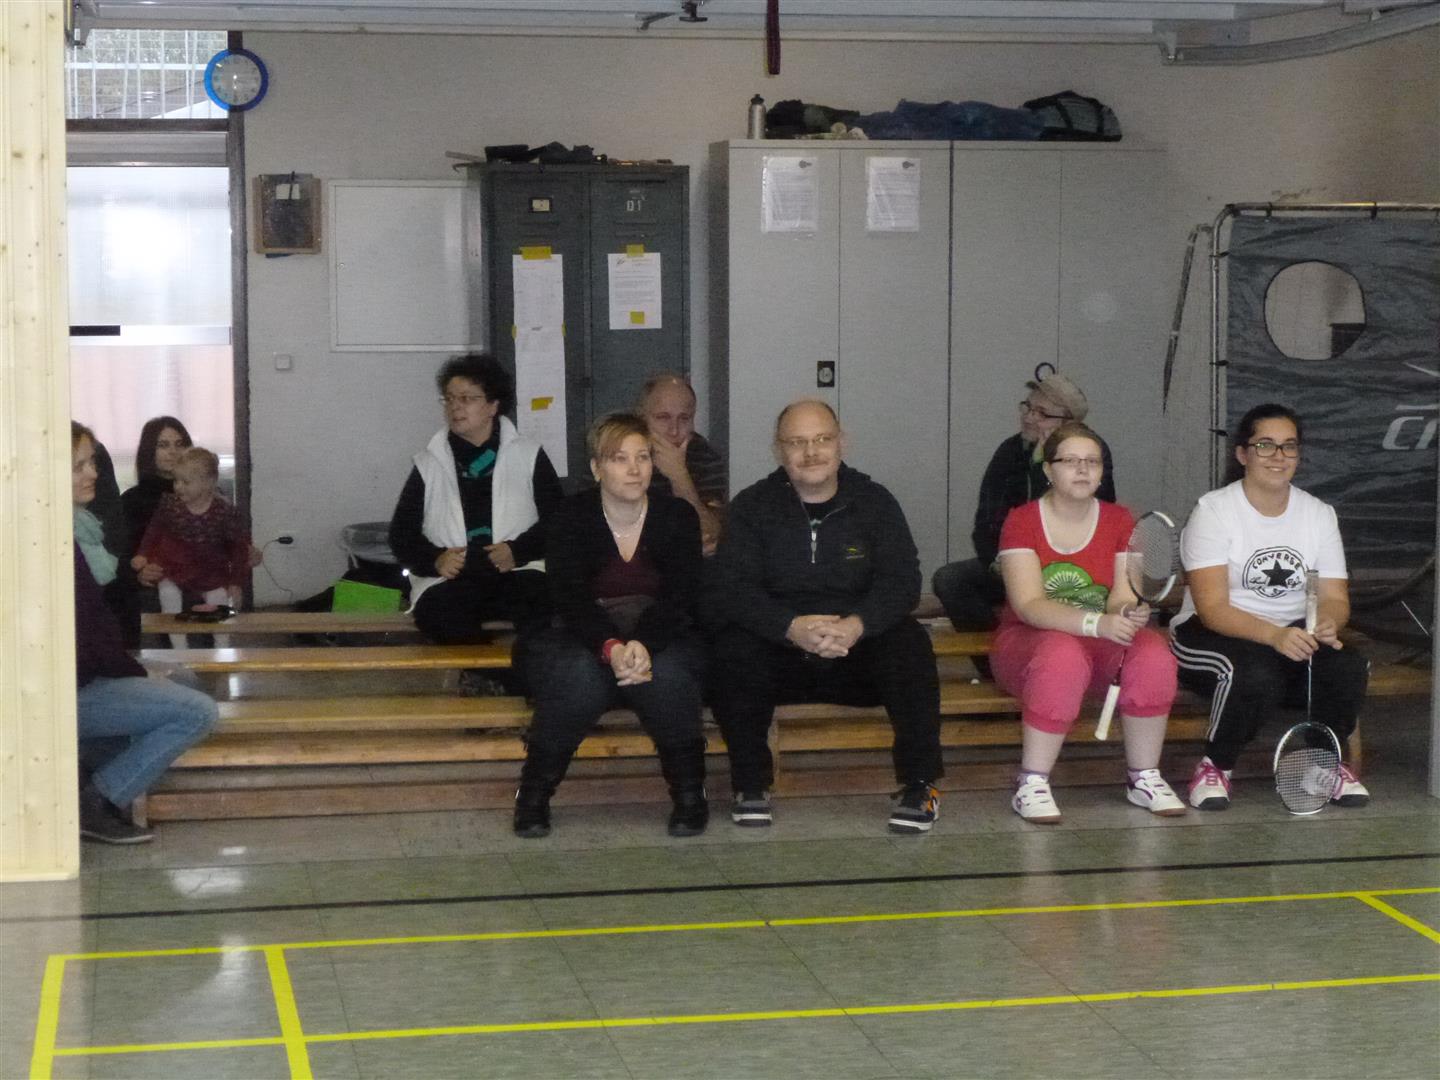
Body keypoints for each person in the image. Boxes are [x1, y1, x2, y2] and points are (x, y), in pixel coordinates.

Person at [706, 399, 944, 833]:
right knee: (732, 648)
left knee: (910, 643)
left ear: (841, 443)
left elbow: (902, 581)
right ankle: (750, 785)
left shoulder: (875, 503)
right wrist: (789, 627)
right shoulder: (752, 506)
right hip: (780, 652)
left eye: (821, 439)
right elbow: (733, 588)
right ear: (778, 450)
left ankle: (919, 785)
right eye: (797, 442)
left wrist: (856, 625)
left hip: (856, 651)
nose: (811, 452)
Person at [514, 413, 708, 838]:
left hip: (659, 633)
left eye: (643, 457)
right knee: (578, 675)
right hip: (579, 633)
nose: (634, 469)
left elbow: (680, 596)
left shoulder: (677, 516)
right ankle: (533, 795)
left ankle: (690, 794)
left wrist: (643, 644)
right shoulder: (569, 516)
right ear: (597, 467)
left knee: (668, 674)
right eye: (620, 458)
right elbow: (570, 598)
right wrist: (611, 646)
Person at [1170, 403, 1370, 811]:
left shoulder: (1319, 514)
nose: (1278, 456)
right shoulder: (1213, 511)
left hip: (1290, 633)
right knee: (1254, 672)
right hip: (1211, 632)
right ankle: (1215, 766)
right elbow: (1212, 608)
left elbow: (1334, 598)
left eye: (1288, 446)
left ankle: (1322, 766)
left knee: (1346, 665)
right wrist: (1275, 636)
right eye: (1265, 445)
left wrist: (1327, 623)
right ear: (1243, 454)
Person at [991, 421, 1183, 824]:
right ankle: (1031, 782)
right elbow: (1029, 605)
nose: (1082, 469)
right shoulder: (1021, 521)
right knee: (1061, 654)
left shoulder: (1120, 520)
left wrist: (1126, 612)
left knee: (1152, 652)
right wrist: (1098, 624)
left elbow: (1122, 594)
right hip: (1027, 645)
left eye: (1092, 462)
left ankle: (1143, 777)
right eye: (1070, 461)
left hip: (1100, 643)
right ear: (1049, 470)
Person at [71, 422, 218, 844]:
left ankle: (87, 769)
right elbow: (84, 642)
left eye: (92, 463)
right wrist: (134, 671)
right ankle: (99, 800)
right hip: (68, 689)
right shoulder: (57, 542)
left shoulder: (81, 528)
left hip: (89, 671)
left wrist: (133, 668)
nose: (94, 473)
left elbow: (96, 627)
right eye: (79, 466)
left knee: (184, 678)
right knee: (199, 712)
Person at [389, 353, 563, 644]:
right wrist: (436, 559)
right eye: (449, 399)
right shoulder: (428, 464)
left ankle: (526, 668)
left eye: (467, 398)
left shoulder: (529, 455)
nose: (455, 407)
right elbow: (401, 535)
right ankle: (482, 669)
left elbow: (559, 522)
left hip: (518, 570)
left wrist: (517, 551)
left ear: (493, 405)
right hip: (453, 579)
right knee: (441, 613)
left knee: (545, 602)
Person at [932, 372, 1116, 642]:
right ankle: (997, 655)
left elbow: (1091, 513)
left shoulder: (1092, 453)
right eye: (1028, 407)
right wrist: (997, 563)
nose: (1029, 417)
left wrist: (1046, 467)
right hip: (1013, 563)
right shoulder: (1010, 451)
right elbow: (986, 521)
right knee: (951, 579)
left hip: (1076, 565)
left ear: (1068, 423)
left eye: (1041, 413)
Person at [132, 447, 254, 648]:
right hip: (174, 568)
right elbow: (154, 531)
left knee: (219, 597)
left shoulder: (224, 512)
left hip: (210, 572)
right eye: (176, 481)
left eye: (186, 482)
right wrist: (143, 554)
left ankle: (221, 646)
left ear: (208, 483)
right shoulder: (170, 506)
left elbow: (238, 548)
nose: (178, 487)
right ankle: (179, 646)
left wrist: (236, 582)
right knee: (168, 592)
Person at [637, 372, 727, 555]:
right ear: (641, 418)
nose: (674, 430)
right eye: (663, 417)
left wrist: (679, 477)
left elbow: (711, 533)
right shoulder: (615, 451)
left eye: (684, 418)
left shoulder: (704, 455)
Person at [121, 415, 193, 564]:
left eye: (179, 444)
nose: (173, 451)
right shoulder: (131, 501)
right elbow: (123, 556)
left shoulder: (203, 494)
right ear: (149, 451)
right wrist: (140, 572)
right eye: (163, 445)